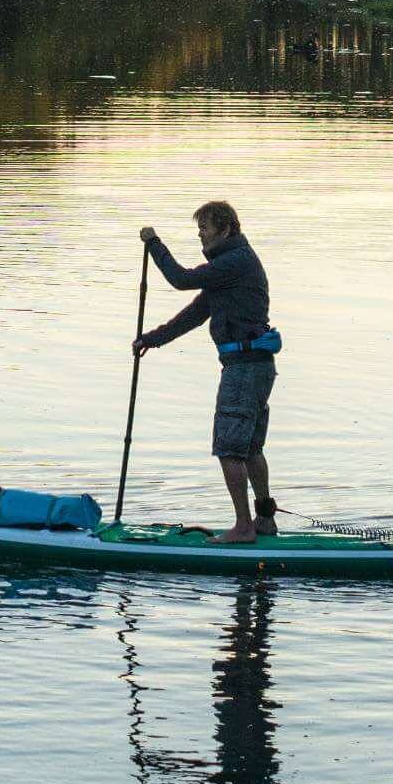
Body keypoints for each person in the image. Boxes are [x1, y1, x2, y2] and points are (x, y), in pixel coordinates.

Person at [138, 200, 281, 544]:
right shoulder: (229, 269)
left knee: (230, 449)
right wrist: (152, 339)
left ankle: (244, 528)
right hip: (255, 367)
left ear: (226, 229)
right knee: (250, 449)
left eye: (204, 229)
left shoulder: (235, 262)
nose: (200, 236)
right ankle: (264, 522)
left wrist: (154, 243)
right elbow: (195, 314)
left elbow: (180, 279)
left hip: (245, 371)